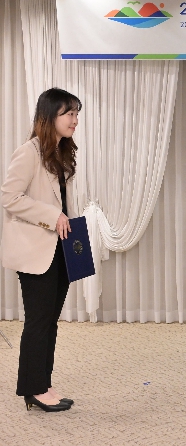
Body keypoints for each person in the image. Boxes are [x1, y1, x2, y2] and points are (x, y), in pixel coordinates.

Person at [1, 88, 81, 412]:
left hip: (60, 248)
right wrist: (52, 215)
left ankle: (43, 383)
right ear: (50, 116)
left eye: (76, 114)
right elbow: (9, 197)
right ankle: (33, 389)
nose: (75, 120)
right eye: (69, 114)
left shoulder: (60, 152)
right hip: (35, 250)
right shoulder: (28, 152)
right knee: (38, 321)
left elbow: (62, 201)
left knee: (50, 321)